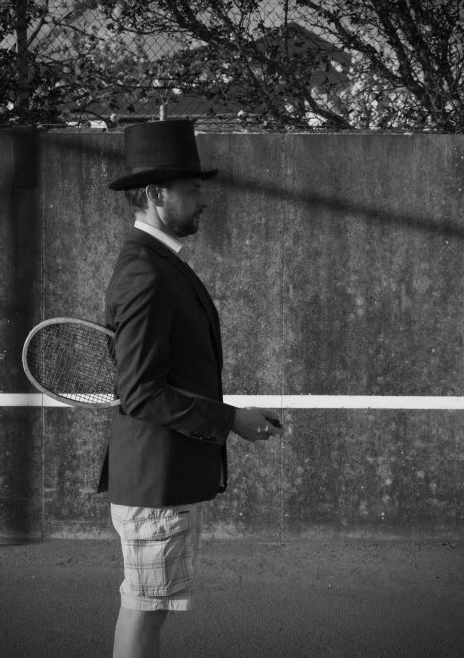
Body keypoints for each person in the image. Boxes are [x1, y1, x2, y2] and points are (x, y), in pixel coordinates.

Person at [98, 119, 283, 658]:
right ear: (157, 194)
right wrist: (230, 420)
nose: (202, 200)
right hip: (155, 484)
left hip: (159, 479)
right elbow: (140, 392)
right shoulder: (145, 273)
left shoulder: (157, 264)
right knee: (144, 611)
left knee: (146, 609)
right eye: (192, 188)